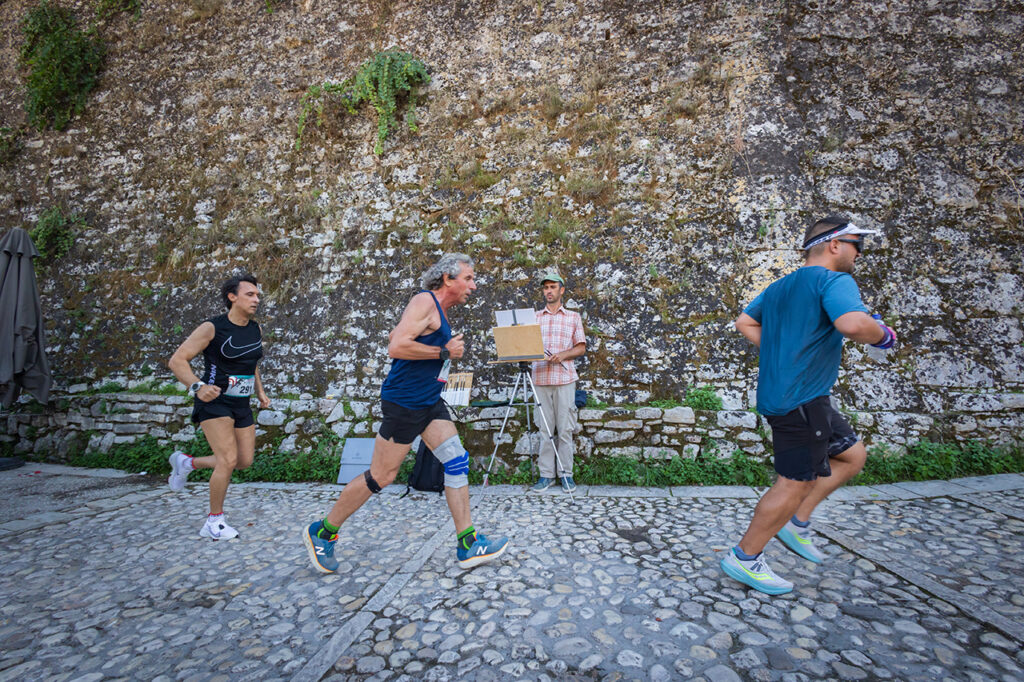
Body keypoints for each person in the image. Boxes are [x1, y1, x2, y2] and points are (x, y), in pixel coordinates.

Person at [720, 215, 897, 595]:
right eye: (856, 245)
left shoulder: (781, 286)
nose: (858, 254)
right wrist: (882, 334)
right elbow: (852, 325)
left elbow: (745, 323)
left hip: (801, 397)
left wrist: (785, 349)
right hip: (800, 401)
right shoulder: (836, 281)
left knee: (852, 456)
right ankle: (745, 557)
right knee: (794, 482)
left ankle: (796, 522)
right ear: (834, 244)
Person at [302, 253, 509, 574]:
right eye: (468, 278)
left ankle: (468, 543)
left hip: (428, 402)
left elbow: (397, 334)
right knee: (382, 476)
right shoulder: (424, 301)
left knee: (456, 460)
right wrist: (444, 351)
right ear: (448, 279)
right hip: (405, 403)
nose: (474, 285)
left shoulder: (437, 310)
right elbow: (396, 346)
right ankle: (323, 532)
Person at [167, 273, 270, 540]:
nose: (256, 299)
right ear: (232, 297)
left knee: (244, 461)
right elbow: (177, 361)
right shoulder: (212, 328)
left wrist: (260, 391)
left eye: (257, 295)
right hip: (214, 402)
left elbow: (251, 362)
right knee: (227, 460)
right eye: (250, 294)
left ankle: (187, 463)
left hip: (241, 403)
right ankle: (214, 522)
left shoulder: (254, 328)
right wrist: (197, 386)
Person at [530, 269, 586, 493]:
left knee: (564, 430)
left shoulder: (573, 317)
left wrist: (562, 355)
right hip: (540, 379)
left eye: (553, 287)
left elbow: (581, 347)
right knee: (545, 431)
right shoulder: (534, 318)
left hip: (564, 379)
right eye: (546, 287)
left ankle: (566, 475)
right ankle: (546, 475)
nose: (549, 291)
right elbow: (524, 346)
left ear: (561, 290)